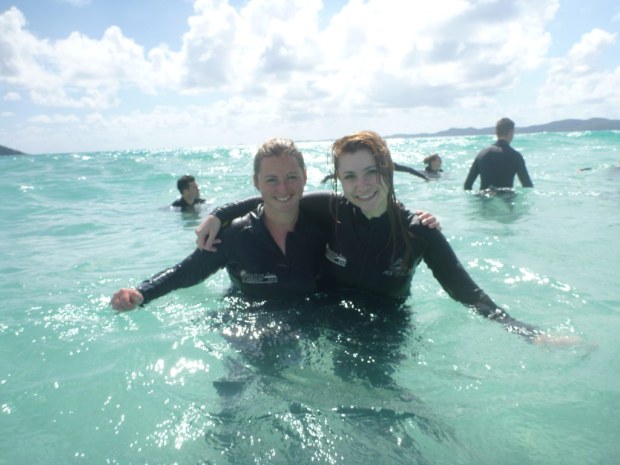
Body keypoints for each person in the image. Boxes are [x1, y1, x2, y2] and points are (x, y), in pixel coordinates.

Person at [197, 131, 563, 343]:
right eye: (350, 176)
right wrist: (220, 212)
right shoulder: (331, 208)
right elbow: (277, 195)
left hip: (385, 334)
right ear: (339, 180)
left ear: (387, 170)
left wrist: (526, 332)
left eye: (371, 172)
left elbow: (466, 292)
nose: (362, 185)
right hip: (326, 325)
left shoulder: (420, 232)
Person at [111, 139, 328, 310]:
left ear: (305, 177)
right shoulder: (235, 235)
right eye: (271, 179)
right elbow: (186, 272)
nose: (282, 188)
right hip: (250, 318)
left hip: (310, 315)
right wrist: (141, 292)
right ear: (256, 182)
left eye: (291, 177)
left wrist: (220, 212)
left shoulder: (326, 223)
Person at [463, 118, 534, 191]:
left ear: (496, 133)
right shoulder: (515, 156)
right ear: (510, 132)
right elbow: (527, 186)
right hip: (506, 198)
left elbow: (467, 185)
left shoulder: (482, 154)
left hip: (484, 199)